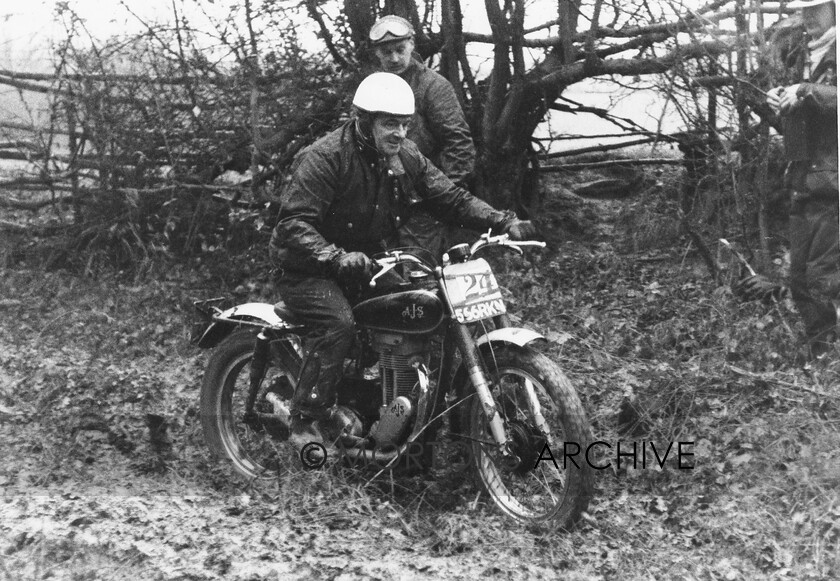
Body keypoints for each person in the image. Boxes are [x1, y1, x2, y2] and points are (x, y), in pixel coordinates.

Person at [269, 72, 535, 448]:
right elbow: (294, 223)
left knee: (427, 309)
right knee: (338, 324)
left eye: (406, 124)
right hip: (306, 267)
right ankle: (305, 420)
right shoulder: (326, 157)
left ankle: (408, 414)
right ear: (364, 121)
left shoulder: (403, 155)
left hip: (367, 262)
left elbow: (450, 198)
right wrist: (334, 256)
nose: (399, 132)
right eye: (390, 123)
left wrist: (503, 221)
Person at [748, 0, 839, 360]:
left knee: (822, 275)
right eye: (803, 10)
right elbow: (804, 109)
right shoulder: (805, 53)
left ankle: (828, 356)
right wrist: (781, 99)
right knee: (800, 277)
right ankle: (821, 351)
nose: (808, 17)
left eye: (816, 8)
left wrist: (804, 91)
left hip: (833, 184)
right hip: (805, 180)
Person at [368, 15, 477, 256]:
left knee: (422, 273)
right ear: (377, 54)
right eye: (387, 52)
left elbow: (459, 143)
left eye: (400, 49)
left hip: (423, 199)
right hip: (383, 201)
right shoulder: (373, 89)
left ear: (412, 45)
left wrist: (445, 196)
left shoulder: (433, 86)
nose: (394, 58)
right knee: (385, 274)